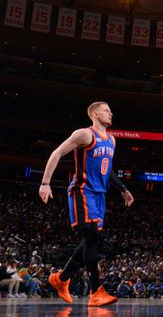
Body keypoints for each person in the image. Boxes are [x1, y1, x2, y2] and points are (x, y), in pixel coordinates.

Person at [39, 101, 134, 307]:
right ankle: (96, 291)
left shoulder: (112, 140)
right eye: (107, 110)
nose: (111, 113)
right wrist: (45, 182)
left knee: (92, 240)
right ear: (95, 114)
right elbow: (56, 153)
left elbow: (107, 170)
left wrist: (123, 189)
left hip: (100, 195)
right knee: (91, 238)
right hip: (82, 191)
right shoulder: (84, 134)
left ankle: (61, 279)